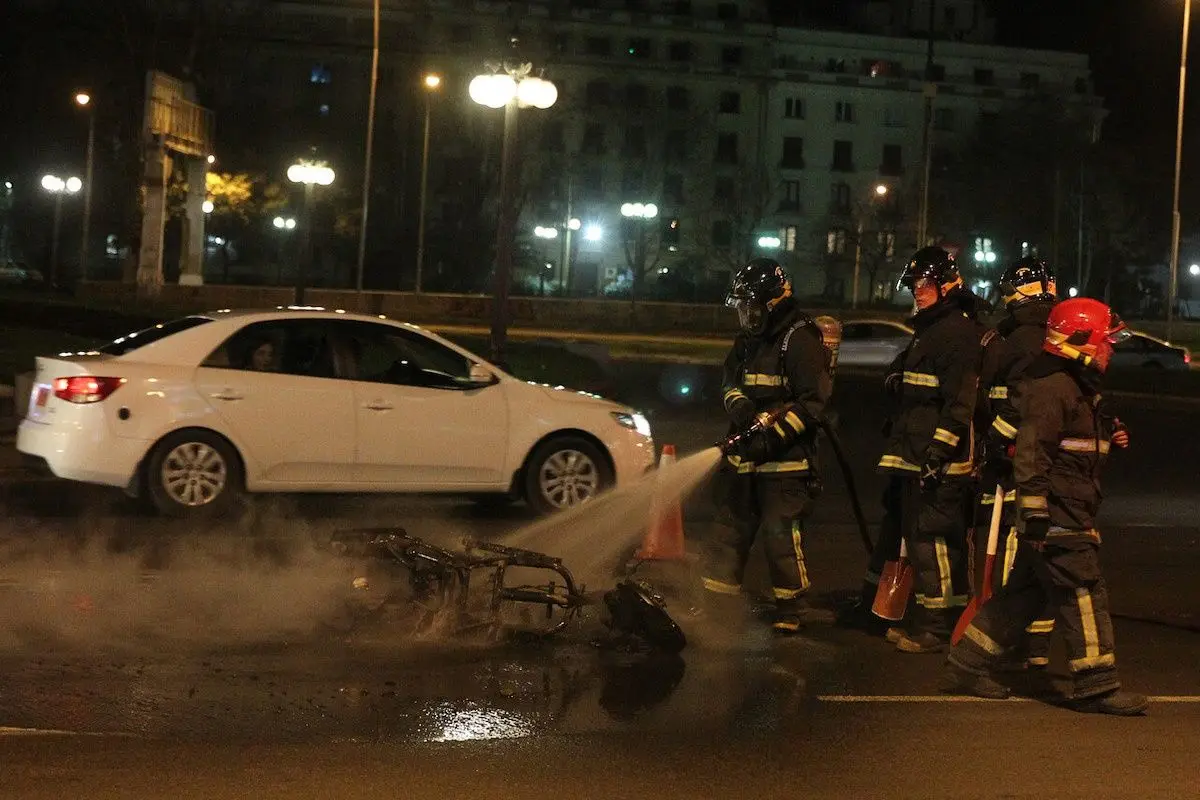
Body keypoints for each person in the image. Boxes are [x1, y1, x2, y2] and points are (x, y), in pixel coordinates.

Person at [942, 297, 1148, 716]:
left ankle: (966, 664)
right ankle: (1096, 684)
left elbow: (1074, 443)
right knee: (1084, 591)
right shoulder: (1053, 388)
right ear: (1080, 342)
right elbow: (1033, 453)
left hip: (1065, 507)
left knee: (1021, 597)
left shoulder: (1072, 386)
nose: (1109, 350)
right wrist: (1036, 512)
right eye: (1104, 342)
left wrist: (1110, 432)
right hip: (1058, 512)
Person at [704, 257, 834, 634]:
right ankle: (717, 602)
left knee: (779, 534)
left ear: (771, 302)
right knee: (730, 529)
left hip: (786, 464)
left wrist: (771, 439)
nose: (745, 314)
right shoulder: (747, 341)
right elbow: (729, 380)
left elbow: (813, 403)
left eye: (751, 306)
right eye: (742, 307)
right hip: (747, 457)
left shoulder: (799, 339)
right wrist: (740, 406)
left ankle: (791, 609)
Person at [876, 246, 983, 653]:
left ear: (946, 284)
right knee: (936, 543)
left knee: (930, 541)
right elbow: (905, 375)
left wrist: (938, 454)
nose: (916, 292)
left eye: (923, 284)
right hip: (917, 452)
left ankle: (937, 629)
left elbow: (960, 404)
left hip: (936, 461)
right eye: (913, 285)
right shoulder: (933, 329)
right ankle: (946, 620)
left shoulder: (954, 332)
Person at [978, 257, 1060, 669]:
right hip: (1042, 459)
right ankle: (1035, 644)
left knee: (1020, 546)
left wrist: (994, 442)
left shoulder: (1025, 338)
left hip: (1021, 461)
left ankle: (1020, 643)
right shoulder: (1044, 333)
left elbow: (1019, 404)